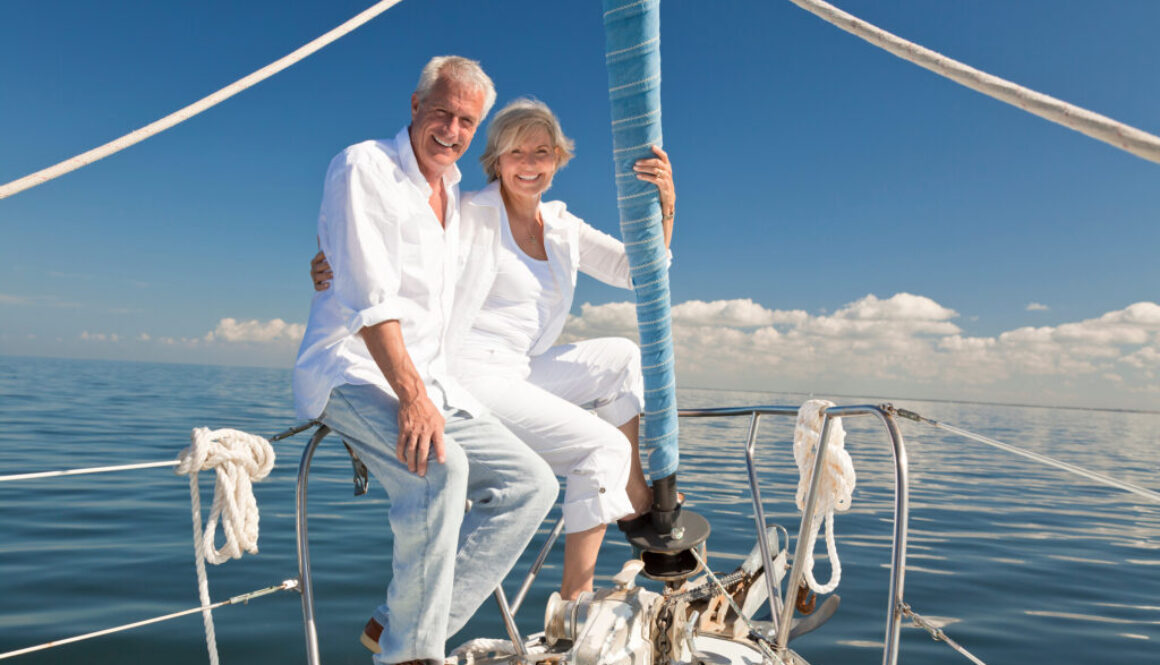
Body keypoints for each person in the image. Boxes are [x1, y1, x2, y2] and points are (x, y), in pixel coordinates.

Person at [311, 97, 676, 601]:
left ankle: (632, 487)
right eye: (516, 153)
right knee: (601, 447)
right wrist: (330, 259)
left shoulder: (563, 225)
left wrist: (666, 208)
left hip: (518, 369)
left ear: (558, 159)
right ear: (497, 161)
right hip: (469, 372)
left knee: (622, 356)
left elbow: (638, 271)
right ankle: (574, 602)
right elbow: (388, 240)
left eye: (542, 153)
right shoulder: (468, 211)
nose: (529, 165)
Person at [293, 57, 558, 665]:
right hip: (350, 369)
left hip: (431, 381)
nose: (452, 129)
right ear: (415, 107)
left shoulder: (460, 194)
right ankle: (412, 656)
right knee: (443, 470)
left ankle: (395, 626)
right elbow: (368, 298)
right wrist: (412, 397)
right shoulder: (365, 166)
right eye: (442, 112)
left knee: (532, 485)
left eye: (467, 120)